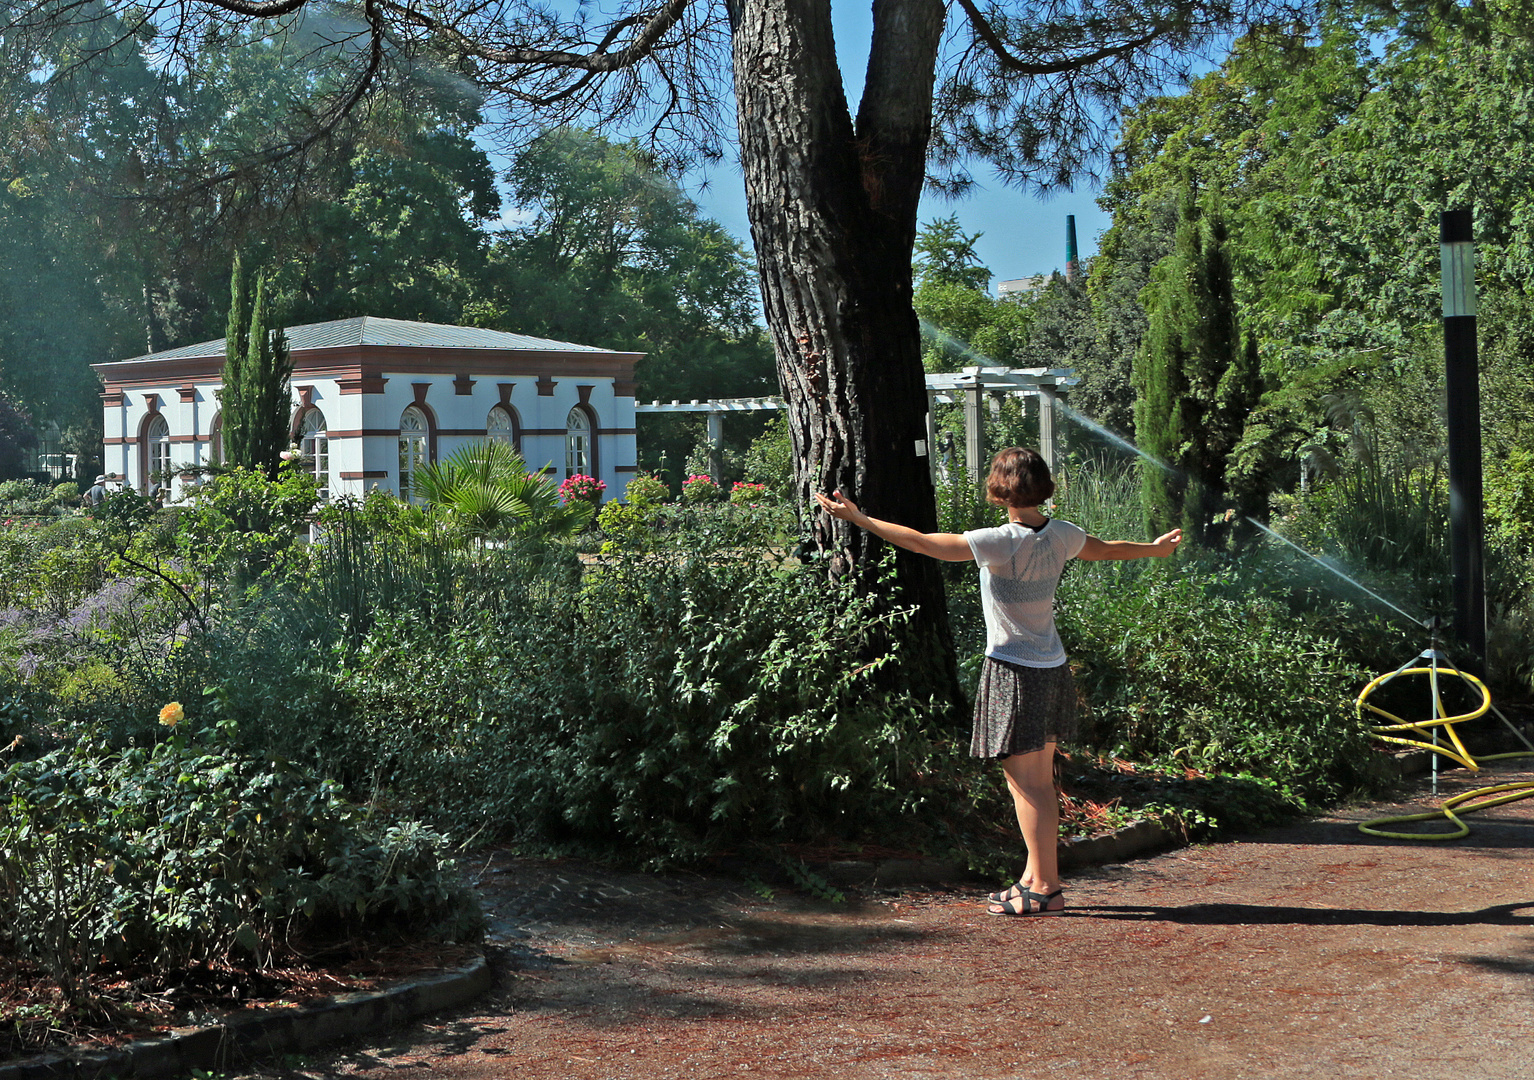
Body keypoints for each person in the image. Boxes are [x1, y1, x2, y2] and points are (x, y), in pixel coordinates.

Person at [816, 447, 1180, 916]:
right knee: (1036, 783)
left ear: (999, 488)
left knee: (1027, 785)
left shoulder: (998, 541)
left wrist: (860, 519)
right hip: (1050, 669)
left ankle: (1047, 888)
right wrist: (1155, 548)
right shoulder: (1064, 535)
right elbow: (1108, 551)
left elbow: (923, 542)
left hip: (1014, 671)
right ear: (1043, 486)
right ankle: (1033, 876)